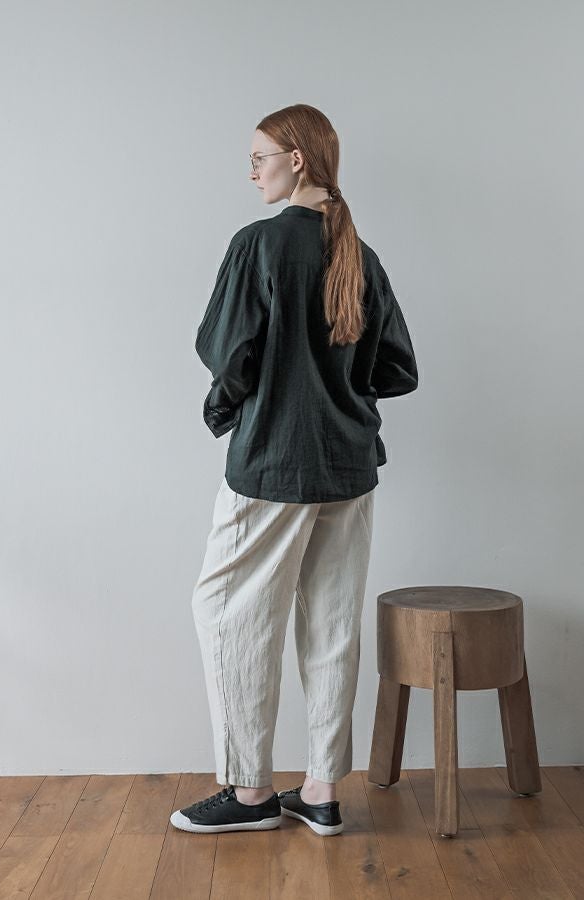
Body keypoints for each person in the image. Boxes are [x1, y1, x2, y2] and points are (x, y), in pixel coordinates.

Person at [171, 104, 418, 836]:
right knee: (331, 624)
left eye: (260, 158)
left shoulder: (260, 244)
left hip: (273, 463)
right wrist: (340, 396)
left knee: (227, 611)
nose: (253, 173)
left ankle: (250, 793)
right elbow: (397, 369)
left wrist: (229, 409)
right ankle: (320, 791)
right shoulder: (359, 253)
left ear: (298, 160)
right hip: (348, 466)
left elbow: (228, 353)